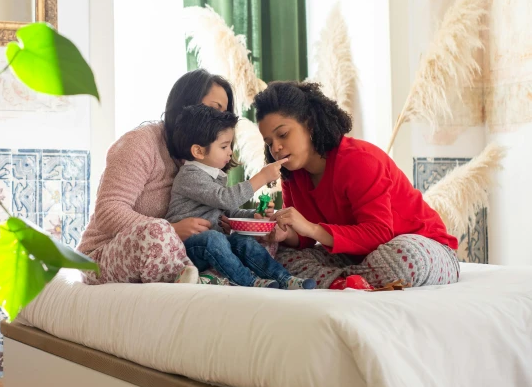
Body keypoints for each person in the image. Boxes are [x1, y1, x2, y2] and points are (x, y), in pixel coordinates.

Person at [252, 81, 460, 289]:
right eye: (269, 142)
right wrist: (286, 233)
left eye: (283, 134)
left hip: (420, 247)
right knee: (277, 256)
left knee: (404, 258)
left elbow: (379, 233)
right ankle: (347, 282)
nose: (276, 148)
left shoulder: (359, 160)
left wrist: (312, 229)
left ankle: (334, 280)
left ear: (310, 124)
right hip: (357, 256)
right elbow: (304, 240)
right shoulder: (292, 175)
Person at [79, 69, 239, 284]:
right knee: (158, 233)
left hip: (181, 252)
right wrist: (171, 231)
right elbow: (108, 211)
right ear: (187, 104)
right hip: (104, 254)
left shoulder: (206, 160)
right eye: (214, 109)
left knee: (249, 240)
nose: (220, 120)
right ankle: (198, 279)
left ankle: (208, 279)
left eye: (224, 113)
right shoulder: (140, 143)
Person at [164, 105, 315, 289]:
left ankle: (285, 279)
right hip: (187, 249)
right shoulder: (190, 175)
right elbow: (225, 199)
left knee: (244, 241)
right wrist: (261, 178)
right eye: (224, 146)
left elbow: (229, 211)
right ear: (199, 151)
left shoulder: (214, 176)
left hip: (213, 245)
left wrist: (255, 215)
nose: (230, 152)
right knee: (214, 238)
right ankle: (249, 282)